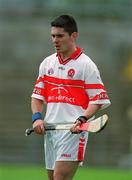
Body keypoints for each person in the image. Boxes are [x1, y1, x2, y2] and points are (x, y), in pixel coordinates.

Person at [31, 14, 111, 180]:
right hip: (51, 131)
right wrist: (37, 118)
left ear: (73, 36)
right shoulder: (47, 63)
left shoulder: (86, 65)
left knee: (60, 177)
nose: (55, 40)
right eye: (53, 36)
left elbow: (97, 99)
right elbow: (37, 96)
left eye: (60, 36)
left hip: (74, 131)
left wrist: (82, 119)